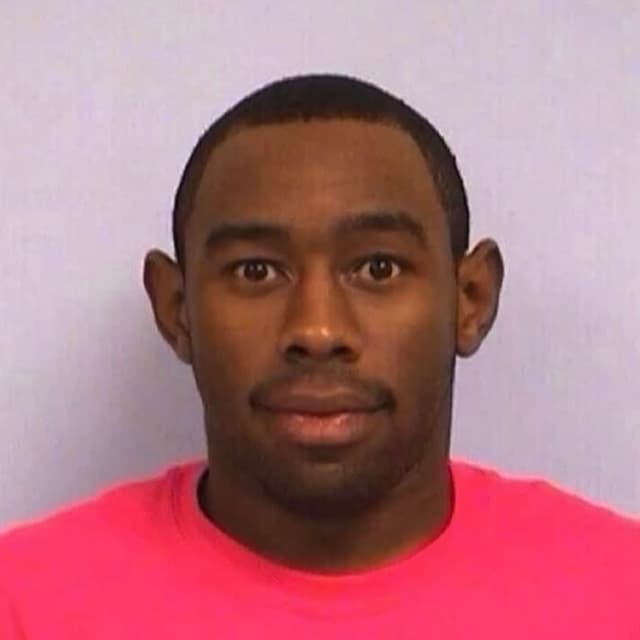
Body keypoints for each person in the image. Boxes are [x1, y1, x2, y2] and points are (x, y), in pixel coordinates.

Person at [0, 74, 638, 638]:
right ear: (176, 307)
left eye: (378, 267)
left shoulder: (620, 595)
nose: (317, 329)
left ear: (469, 299)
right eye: (255, 271)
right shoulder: (24, 604)